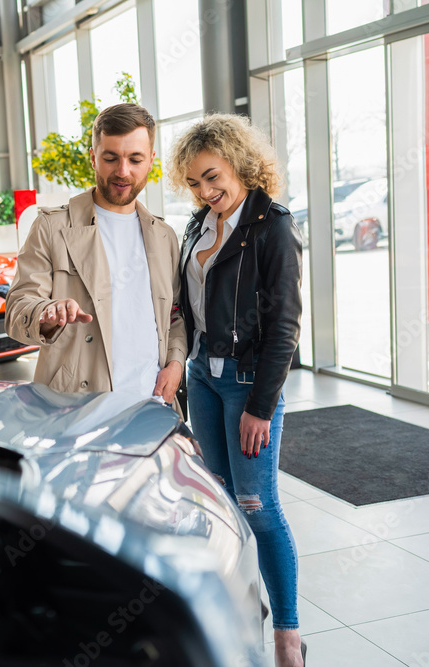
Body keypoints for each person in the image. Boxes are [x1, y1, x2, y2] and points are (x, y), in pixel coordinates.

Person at [169, 114, 305, 667]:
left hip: (248, 384)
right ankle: (240, 614)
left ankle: (288, 637)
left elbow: (285, 329)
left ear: (239, 163)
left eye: (212, 176)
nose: (206, 191)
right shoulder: (197, 226)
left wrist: (261, 407)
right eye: (195, 182)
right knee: (221, 503)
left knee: (258, 505)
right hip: (201, 377)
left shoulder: (272, 227)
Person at [5, 103, 186, 409]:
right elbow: (16, 310)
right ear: (93, 157)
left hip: (153, 406)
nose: (123, 171)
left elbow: (176, 315)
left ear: (151, 161)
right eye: (110, 158)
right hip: (76, 407)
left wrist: (176, 363)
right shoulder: (51, 227)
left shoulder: (164, 236)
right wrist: (47, 313)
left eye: (135, 159)